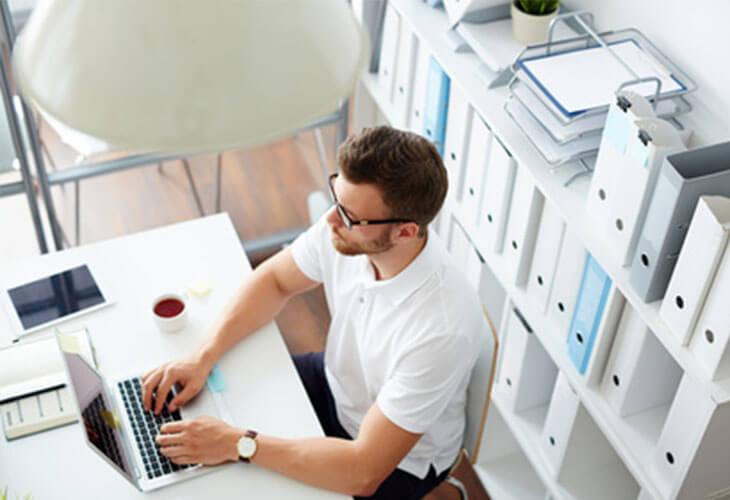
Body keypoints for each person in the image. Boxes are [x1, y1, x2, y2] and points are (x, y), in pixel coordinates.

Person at [141, 126, 483, 499]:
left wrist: (239, 444)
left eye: (350, 216)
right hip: (336, 384)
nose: (332, 219)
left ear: (405, 232)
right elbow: (275, 281)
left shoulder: (441, 329)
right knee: (211, 402)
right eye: (337, 198)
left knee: (237, 472)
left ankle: (444, 494)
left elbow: (363, 470)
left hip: (398, 459)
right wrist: (201, 357)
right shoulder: (347, 227)